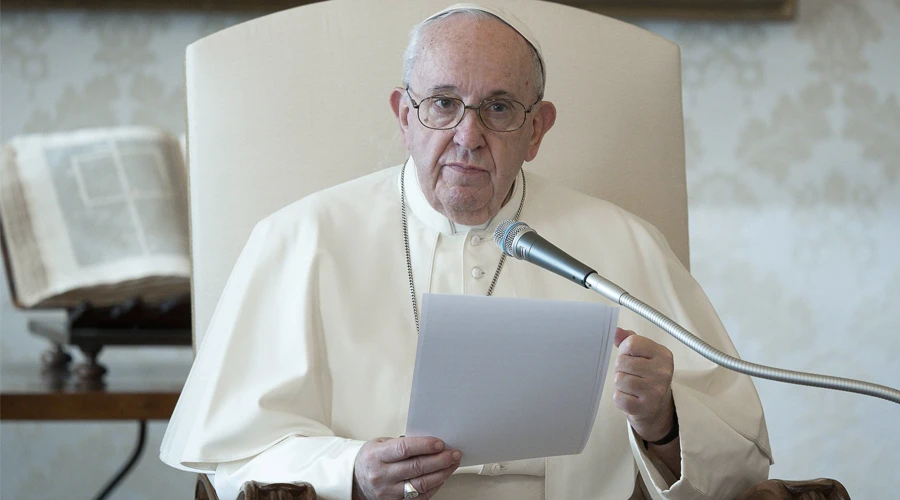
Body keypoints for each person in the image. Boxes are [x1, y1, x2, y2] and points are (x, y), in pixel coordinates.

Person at [160, 4, 772, 500]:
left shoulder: (623, 245)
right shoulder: (300, 239)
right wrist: (351, 469)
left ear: (537, 130)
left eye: (499, 108)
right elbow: (227, 456)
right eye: (443, 103)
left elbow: (741, 459)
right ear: (405, 116)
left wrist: (664, 419)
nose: (468, 136)